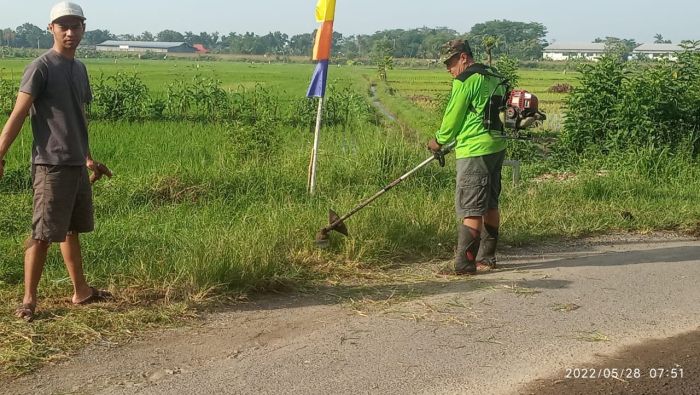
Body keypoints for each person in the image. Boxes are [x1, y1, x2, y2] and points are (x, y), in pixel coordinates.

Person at [0, 2, 113, 322]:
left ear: (83, 29)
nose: (69, 32)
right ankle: (28, 300)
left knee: (72, 230)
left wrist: (88, 158)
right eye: (62, 26)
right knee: (42, 233)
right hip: (50, 165)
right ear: (50, 29)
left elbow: (77, 117)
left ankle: (82, 291)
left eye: (75, 26)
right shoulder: (41, 67)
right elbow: (19, 114)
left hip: (75, 164)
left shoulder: (79, 69)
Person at [428, 39, 507, 275]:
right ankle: (487, 258)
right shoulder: (493, 75)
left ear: (463, 57)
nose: (449, 70)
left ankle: (464, 265)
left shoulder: (465, 80)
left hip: (474, 150)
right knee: (490, 203)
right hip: (496, 146)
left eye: (450, 63)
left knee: (471, 208)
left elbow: (452, 119)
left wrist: (438, 141)